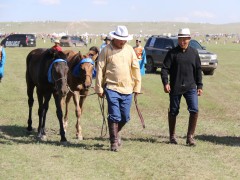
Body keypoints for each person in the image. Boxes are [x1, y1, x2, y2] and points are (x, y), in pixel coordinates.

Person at [95, 25, 141, 152]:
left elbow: (136, 68)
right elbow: (100, 69)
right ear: (114, 38)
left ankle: (114, 132)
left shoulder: (129, 50)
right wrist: (99, 87)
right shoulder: (106, 50)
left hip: (127, 88)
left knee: (125, 117)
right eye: (121, 39)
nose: (123, 41)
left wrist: (137, 86)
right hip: (111, 87)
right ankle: (114, 141)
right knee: (114, 115)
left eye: (125, 39)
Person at [161, 28, 203, 146]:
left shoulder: (194, 53)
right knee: (174, 111)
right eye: (180, 39)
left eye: (185, 39)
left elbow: (198, 70)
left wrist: (199, 85)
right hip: (175, 86)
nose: (182, 42)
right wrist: (166, 82)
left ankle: (190, 137)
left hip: (191, 87)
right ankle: (172, 136)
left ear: (189, 39)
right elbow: (164, 69)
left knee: (194, 109)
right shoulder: (172, 53)